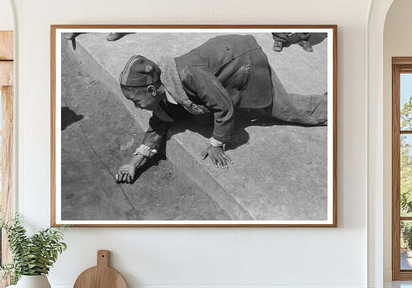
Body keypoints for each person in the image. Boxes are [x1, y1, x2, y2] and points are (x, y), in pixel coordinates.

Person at [116, 34, 327, 184]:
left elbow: (223, 107)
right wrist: (135, 163)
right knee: (194, 115)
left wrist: (217, 143)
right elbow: (159, 123)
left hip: (244, 56)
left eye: (136, 100)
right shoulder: (163, 87)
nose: (137, 106)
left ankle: (334, 107)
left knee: (283, 109)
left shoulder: (189, 74)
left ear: (152, 90)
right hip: (225, 52)